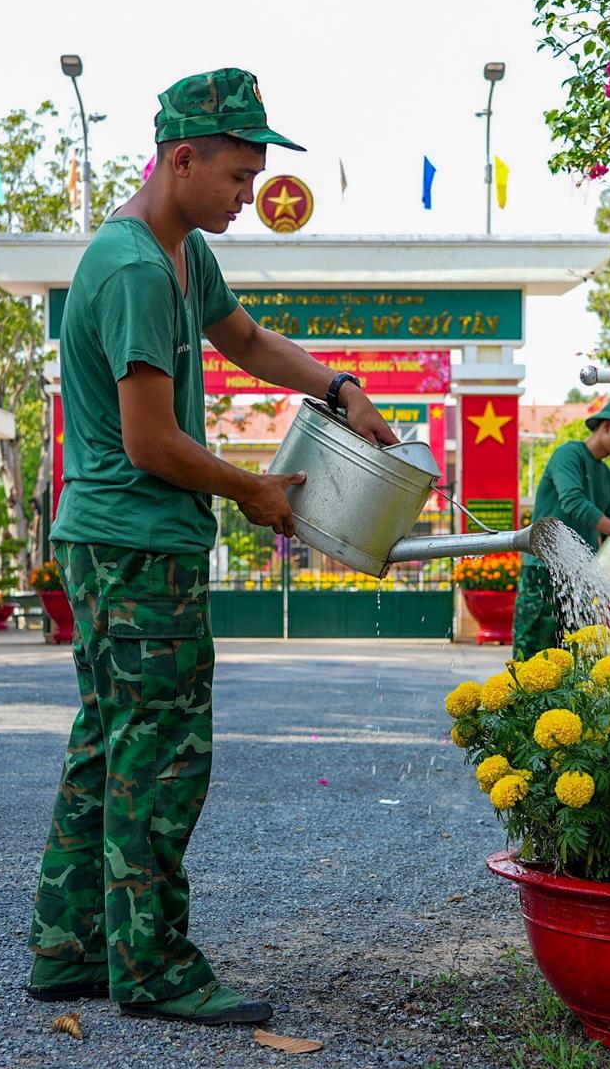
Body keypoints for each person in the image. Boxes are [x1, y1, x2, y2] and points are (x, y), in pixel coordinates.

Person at [24, 67, 396, 1026]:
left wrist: (341, 389)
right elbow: (150, 442)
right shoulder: (137, 270)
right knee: (162, 757)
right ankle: (154, 967)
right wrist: (255, 492)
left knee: (110, 743)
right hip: (138, 544)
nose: (248, 197)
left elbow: (250, 341)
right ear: (181, 160)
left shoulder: (180, 251)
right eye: (237, 177)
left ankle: (72, 948)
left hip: (115, 542)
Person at [512, 400, 610, 657]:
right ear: (607, 426)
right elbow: (574, 502)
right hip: (544, 570)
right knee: (533, 656)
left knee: (576, 658)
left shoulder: (609, 477)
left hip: (581, 577)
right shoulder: (569, 454)